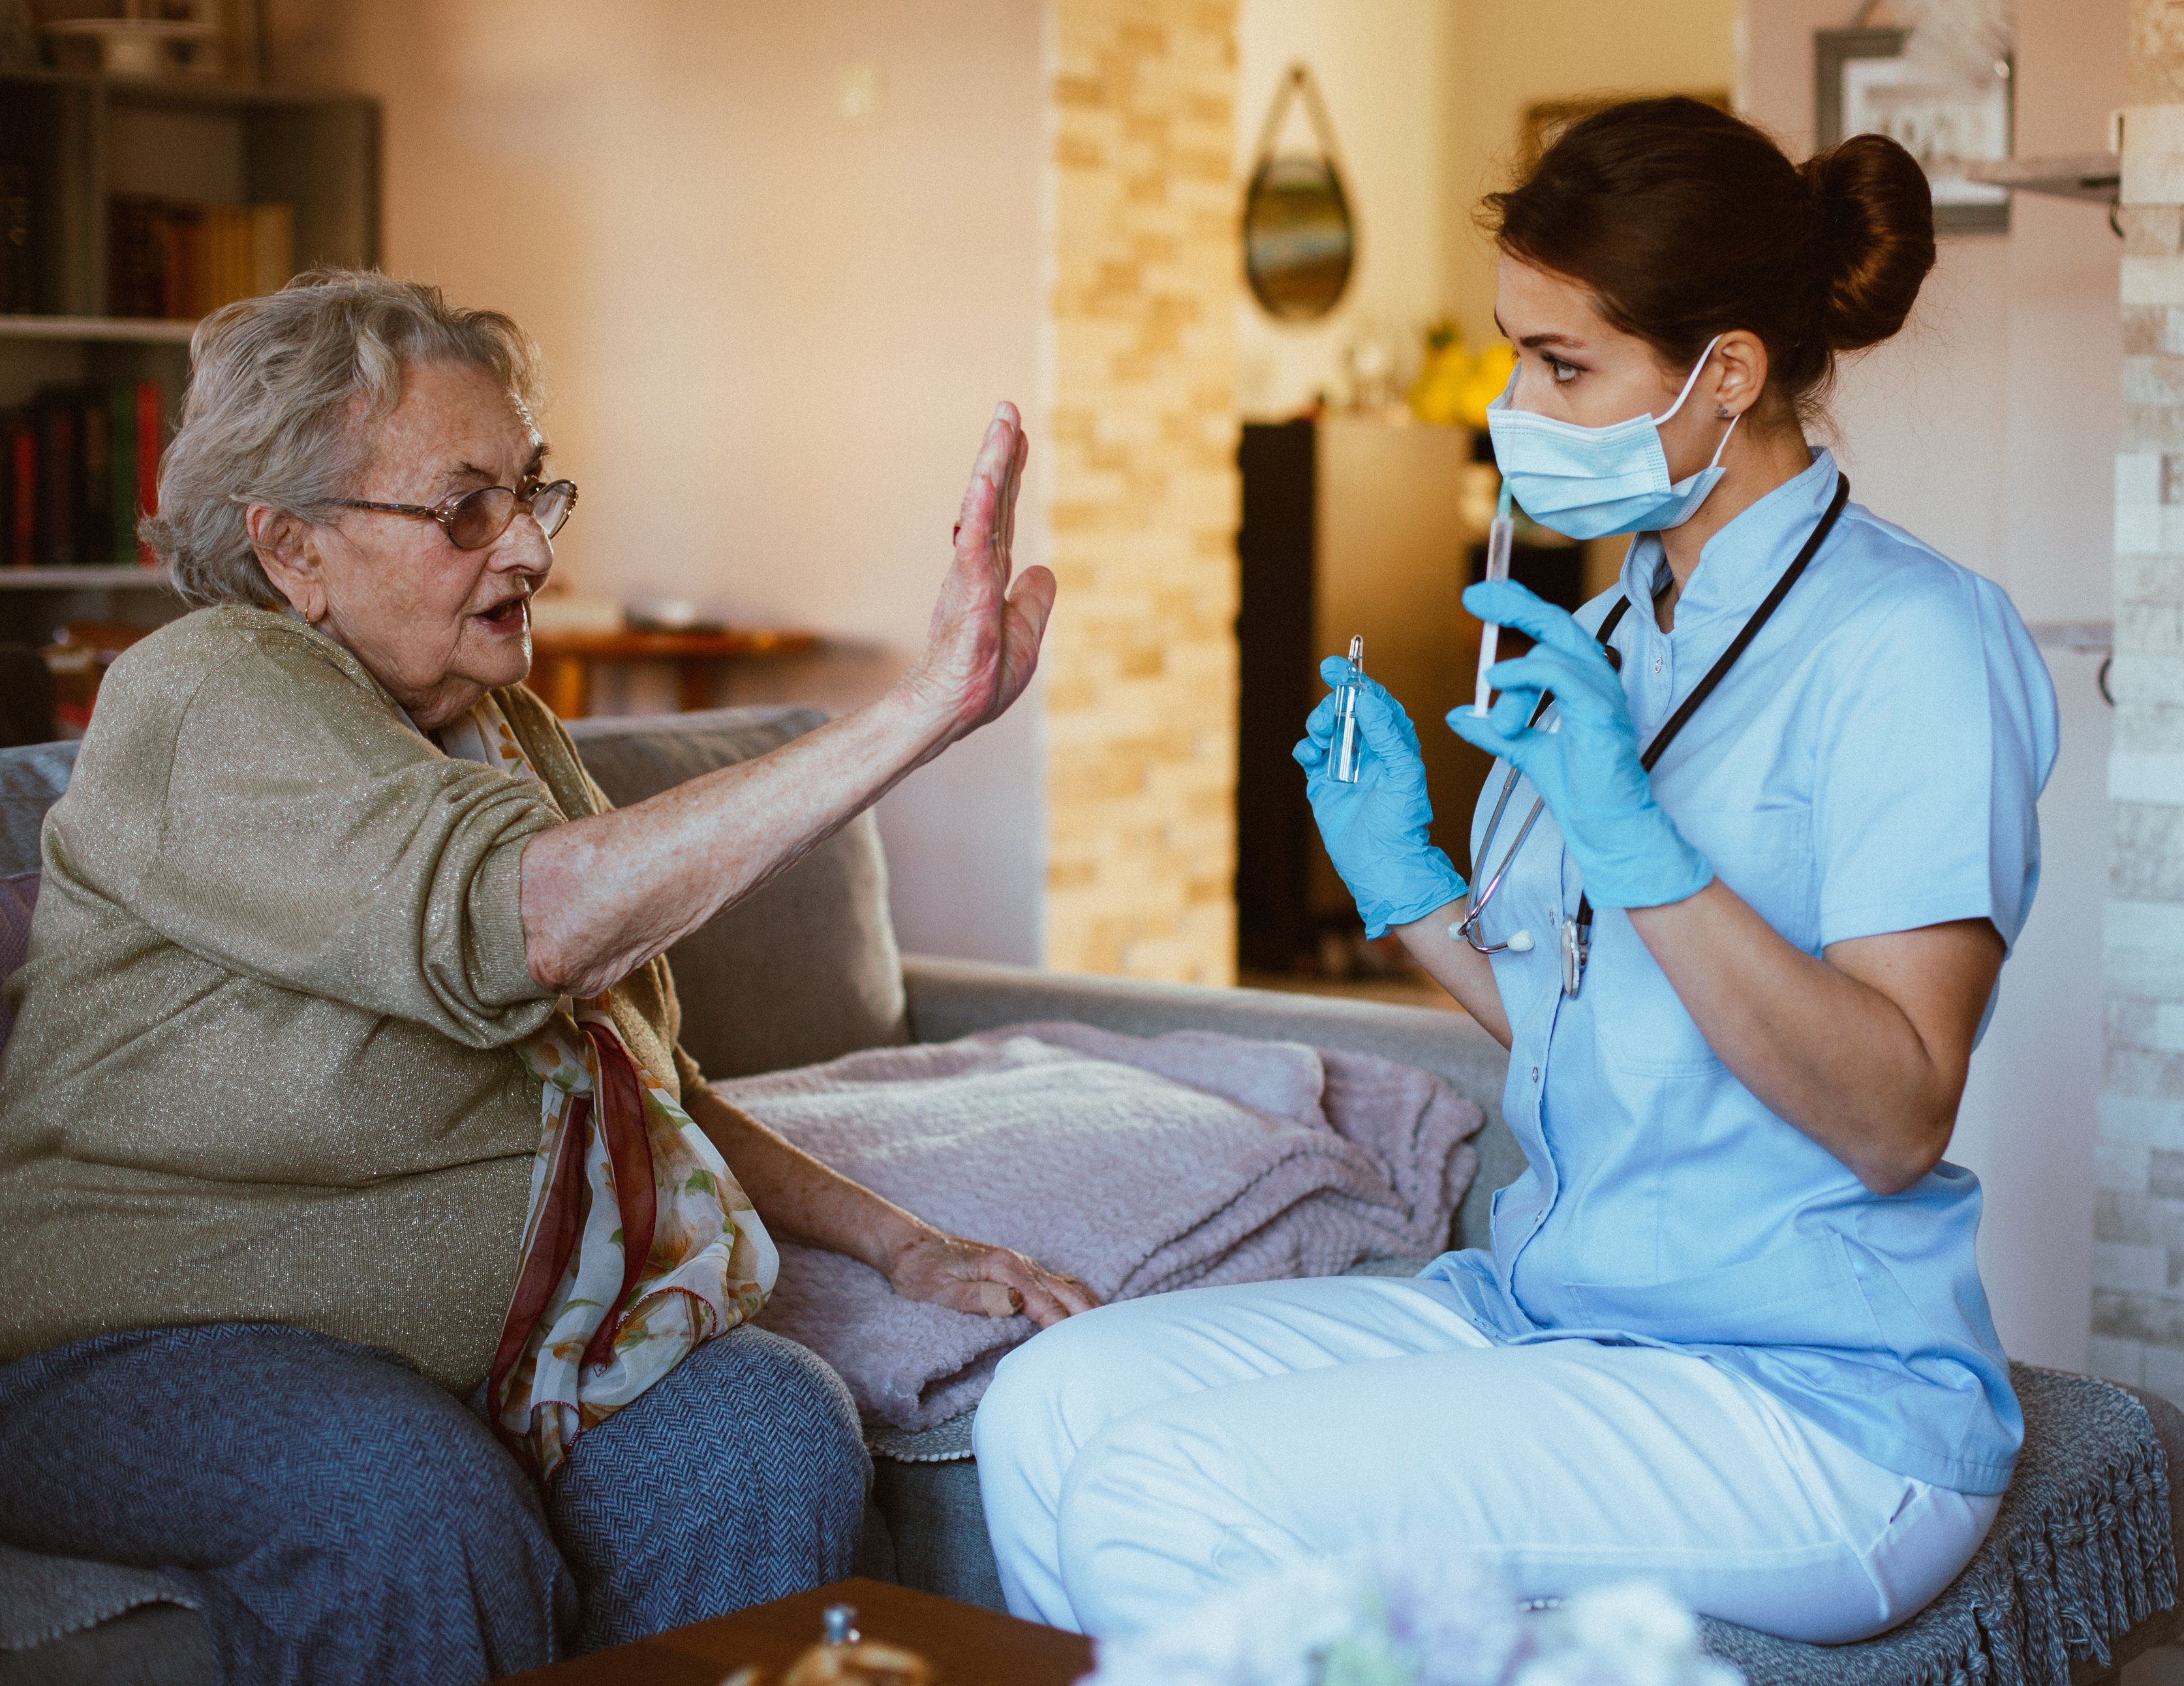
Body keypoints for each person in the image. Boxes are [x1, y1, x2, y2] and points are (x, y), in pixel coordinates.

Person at [975, 98, 2058, 1642]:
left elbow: (1894, 1114)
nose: (1513, 402)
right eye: (1514, 352)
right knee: (1051, 1405)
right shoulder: (1617, 629)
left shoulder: (1913, 645)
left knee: (1169, 1487)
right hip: (1554, 1312)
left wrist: (1643, 845)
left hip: (1804, 1393)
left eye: (1562, 364)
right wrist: (1410, 891)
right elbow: (1600, 1028)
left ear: (1727, 371)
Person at [0, 269, 1096, 1685]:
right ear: (290, 549)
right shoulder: (208, 692)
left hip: (498, 1354)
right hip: (134, 1342)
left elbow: (633, 1077)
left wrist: (897, 1240)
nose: (526, 548)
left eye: (533, 492)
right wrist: (915, 712)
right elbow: (522, 925)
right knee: (402, 1502)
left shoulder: (504, 729)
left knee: (765, 1430)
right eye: (464, 507)